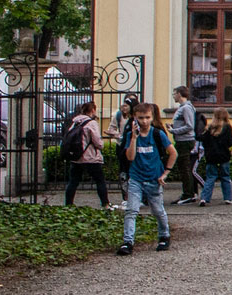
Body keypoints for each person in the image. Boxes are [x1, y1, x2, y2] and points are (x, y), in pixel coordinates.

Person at [117, 100, 174, 254]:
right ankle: (128, 242)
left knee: (158, 210)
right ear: (135, 117)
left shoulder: (157, 134)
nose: (144, 121)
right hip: (136, 178)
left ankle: (164, 236)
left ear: (152, 117)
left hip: (154, 179)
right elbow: (130, 157)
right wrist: (134, 139)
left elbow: (173, 153)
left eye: (147, 117)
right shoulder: (130, 135)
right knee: (131, 210)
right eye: (141, 118)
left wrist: (165, 173)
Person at [61, 101, 108, 208]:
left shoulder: (75, 122)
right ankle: (105, 203)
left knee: (73, 181)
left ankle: (68, 204)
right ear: (92, 110)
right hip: (91, 158)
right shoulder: (92, 123)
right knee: (100, 181)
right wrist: (101, 145)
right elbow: (97, 142)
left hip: (76, 157)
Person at [196, 108, 232, 204]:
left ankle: (204, 198)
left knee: (210, 177)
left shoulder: (209, 128)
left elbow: (202, 139)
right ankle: (228, 198)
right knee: (225, 177)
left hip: (211, 156)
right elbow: (230, 142)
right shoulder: (227, 127)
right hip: (223, 156)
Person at [169, 85, 199, 205]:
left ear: (180, 94)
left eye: (174, 94)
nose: (173, 96)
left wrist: (173, 131)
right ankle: (189, 192)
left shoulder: (186, 108)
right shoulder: (184, 107)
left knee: (185, 168)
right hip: (182, 140)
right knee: (185, 168)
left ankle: (188, 194)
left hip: (185, 141)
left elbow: (189, 126)